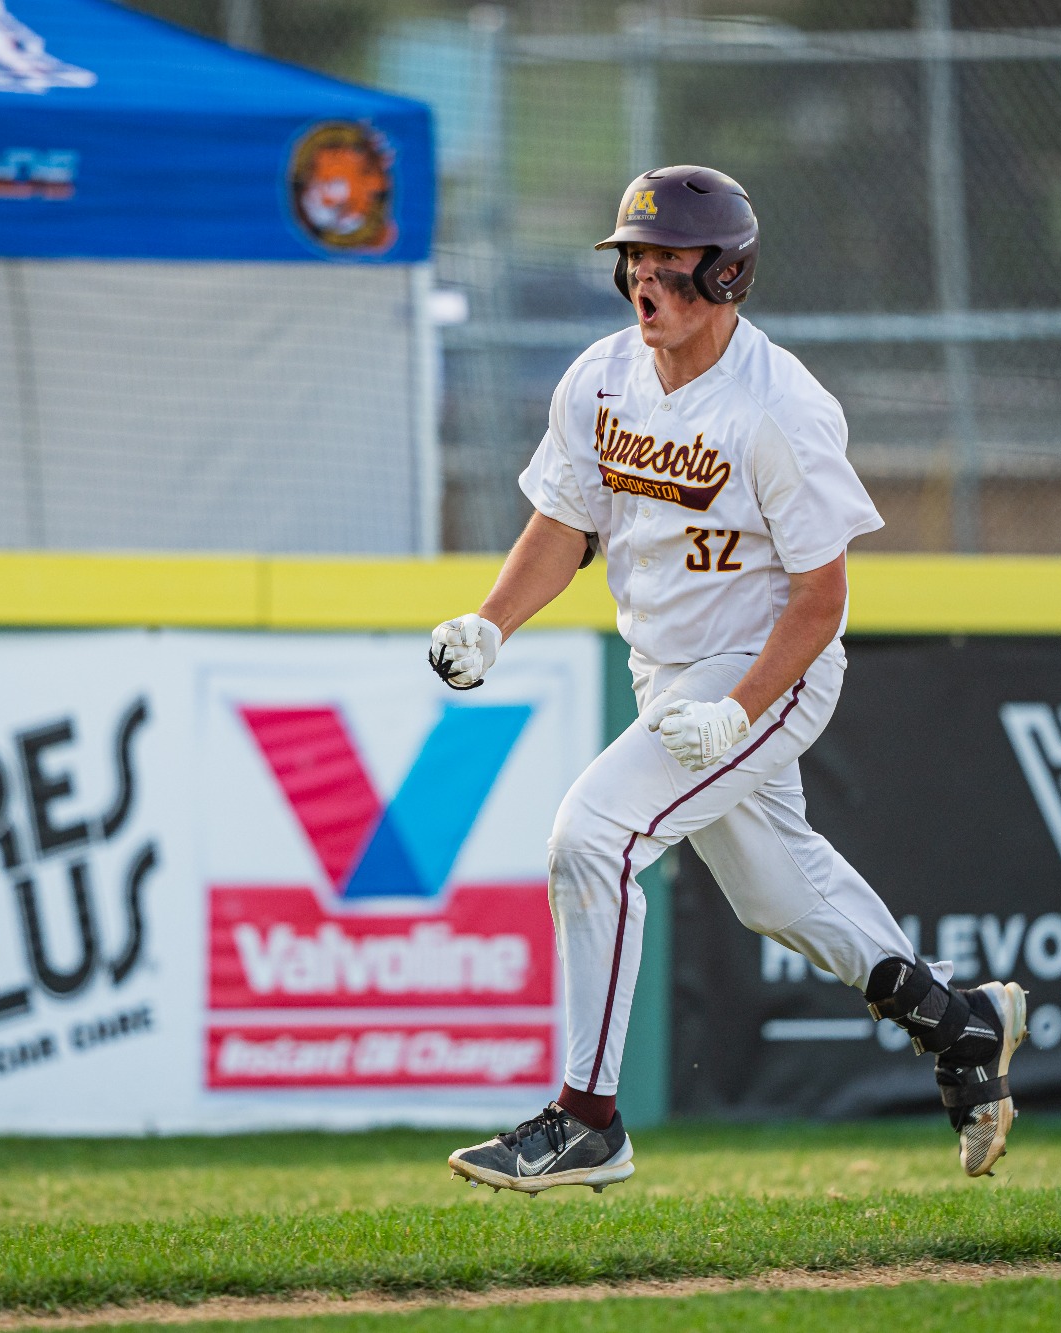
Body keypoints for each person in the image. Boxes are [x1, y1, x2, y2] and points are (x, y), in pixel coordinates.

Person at [426, 165, 1027, 1194]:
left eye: (668, 262)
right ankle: (959, 1024)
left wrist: (738, 710)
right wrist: (492, 622)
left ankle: (586, 1120)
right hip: (667, 668)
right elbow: (565, 521)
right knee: (777, 892)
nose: (643, 281)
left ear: (727, 274)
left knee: (592, 836)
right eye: (633, 260)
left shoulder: (778, 407)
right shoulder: (600, 378)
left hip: (767, 667)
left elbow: (822, 599)